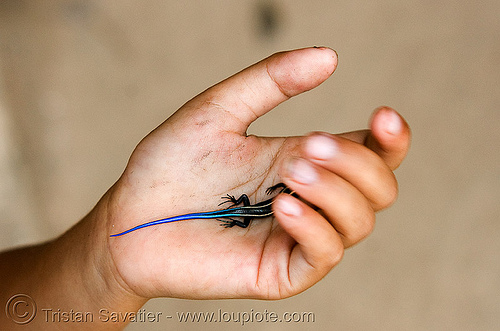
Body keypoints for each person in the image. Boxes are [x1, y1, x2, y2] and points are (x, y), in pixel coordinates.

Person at [0, 47, 411, 329]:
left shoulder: (272, 201)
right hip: (241, 210)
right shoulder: (275, 201)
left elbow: (269, 201)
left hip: (240, 209)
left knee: (241, 210)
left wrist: (107, 268)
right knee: (241, 211)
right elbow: (270, 202)